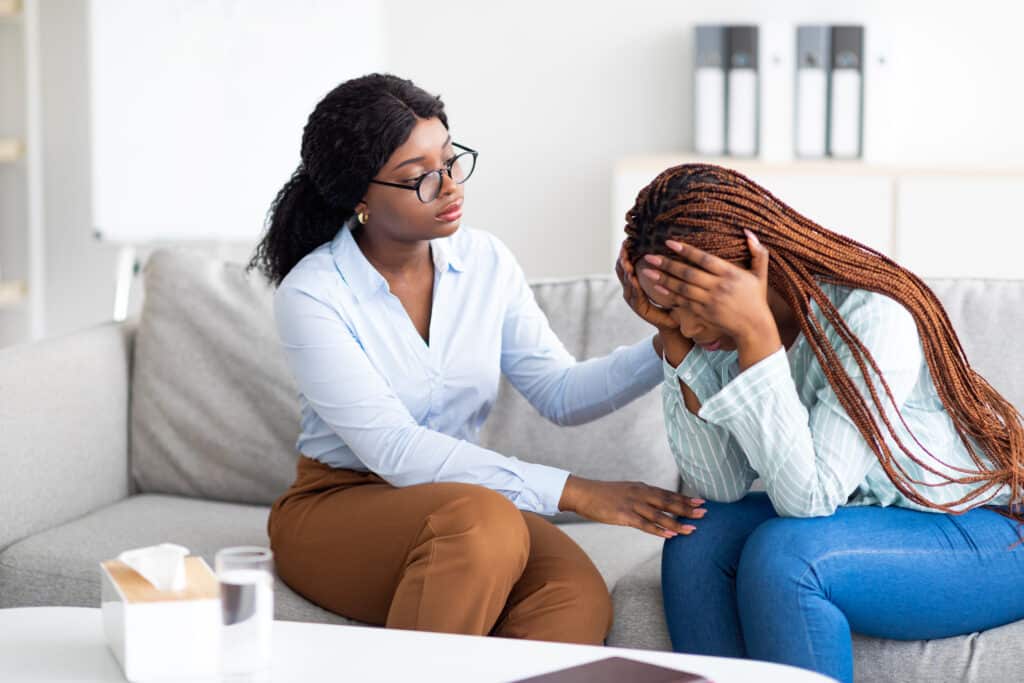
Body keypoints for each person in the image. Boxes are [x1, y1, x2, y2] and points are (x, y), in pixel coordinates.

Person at [245, 73, 706, 644]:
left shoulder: (485, 261)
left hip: (462, 508)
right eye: (419, 179)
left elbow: (559, 392)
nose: (450, 187)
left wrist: (665, 342)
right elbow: (394, 448)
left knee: (572, 594)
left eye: (451, 160)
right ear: (358, 198)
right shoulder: (313, 294)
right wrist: (578, 491)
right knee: (484, 523)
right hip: (340, 506)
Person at [615, 163, 1024, 682]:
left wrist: (758, 339)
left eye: (695, 310)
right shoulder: (710, 331)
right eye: (672, 310)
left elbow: (809, 500)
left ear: (749, 266)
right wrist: (675, 343)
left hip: (990, 528)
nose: (692, 326)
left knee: (789, 556)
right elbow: (717, 486)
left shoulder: (872, 318)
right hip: (884, 517)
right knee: (698, 536)